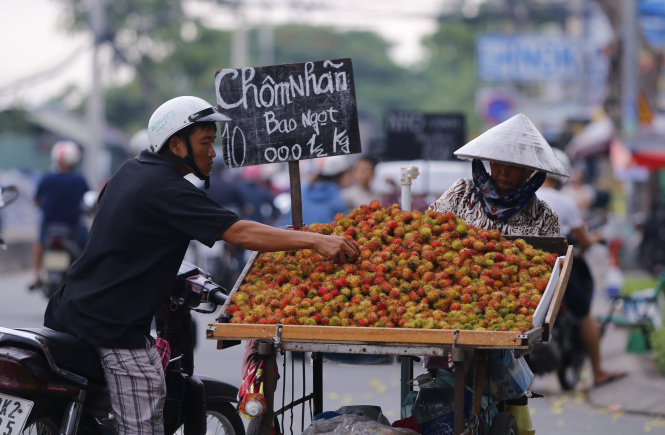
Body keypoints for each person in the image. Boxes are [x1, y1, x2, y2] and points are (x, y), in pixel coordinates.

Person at [43, 95, 360, 435]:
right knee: (143, 421)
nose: (213, 152)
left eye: (214, 142)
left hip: (69, 309)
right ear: (177, 144)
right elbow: (238, 231)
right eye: (205, 143)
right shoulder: (167, 188)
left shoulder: (131, 171)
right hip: (112, 327)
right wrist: (315, 240)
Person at [426, 113, 625, 387]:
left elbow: (542, 276)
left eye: (513, 166)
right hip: (448, 302)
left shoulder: (543, 216)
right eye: (497, 164)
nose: (503, 173)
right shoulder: (461, 193)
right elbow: (427, 236)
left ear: (530, 171)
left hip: (506, 314)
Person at [537, 148, 626, 387]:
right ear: (561, 175)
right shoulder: (566, 202)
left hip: (531, 267)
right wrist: (594, 239)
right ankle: (597, 372)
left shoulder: (528, 197)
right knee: (585, 314)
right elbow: (583, 240)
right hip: (561, 267)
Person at [30, 140, 90, 289]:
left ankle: (37, 275)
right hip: (73, 227)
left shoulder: (47, 178)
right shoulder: (79, 179)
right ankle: (87, 277)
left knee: (39, 242)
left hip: (49, 226)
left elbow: (36, 199)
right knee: (89, 247)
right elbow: (89, 199)